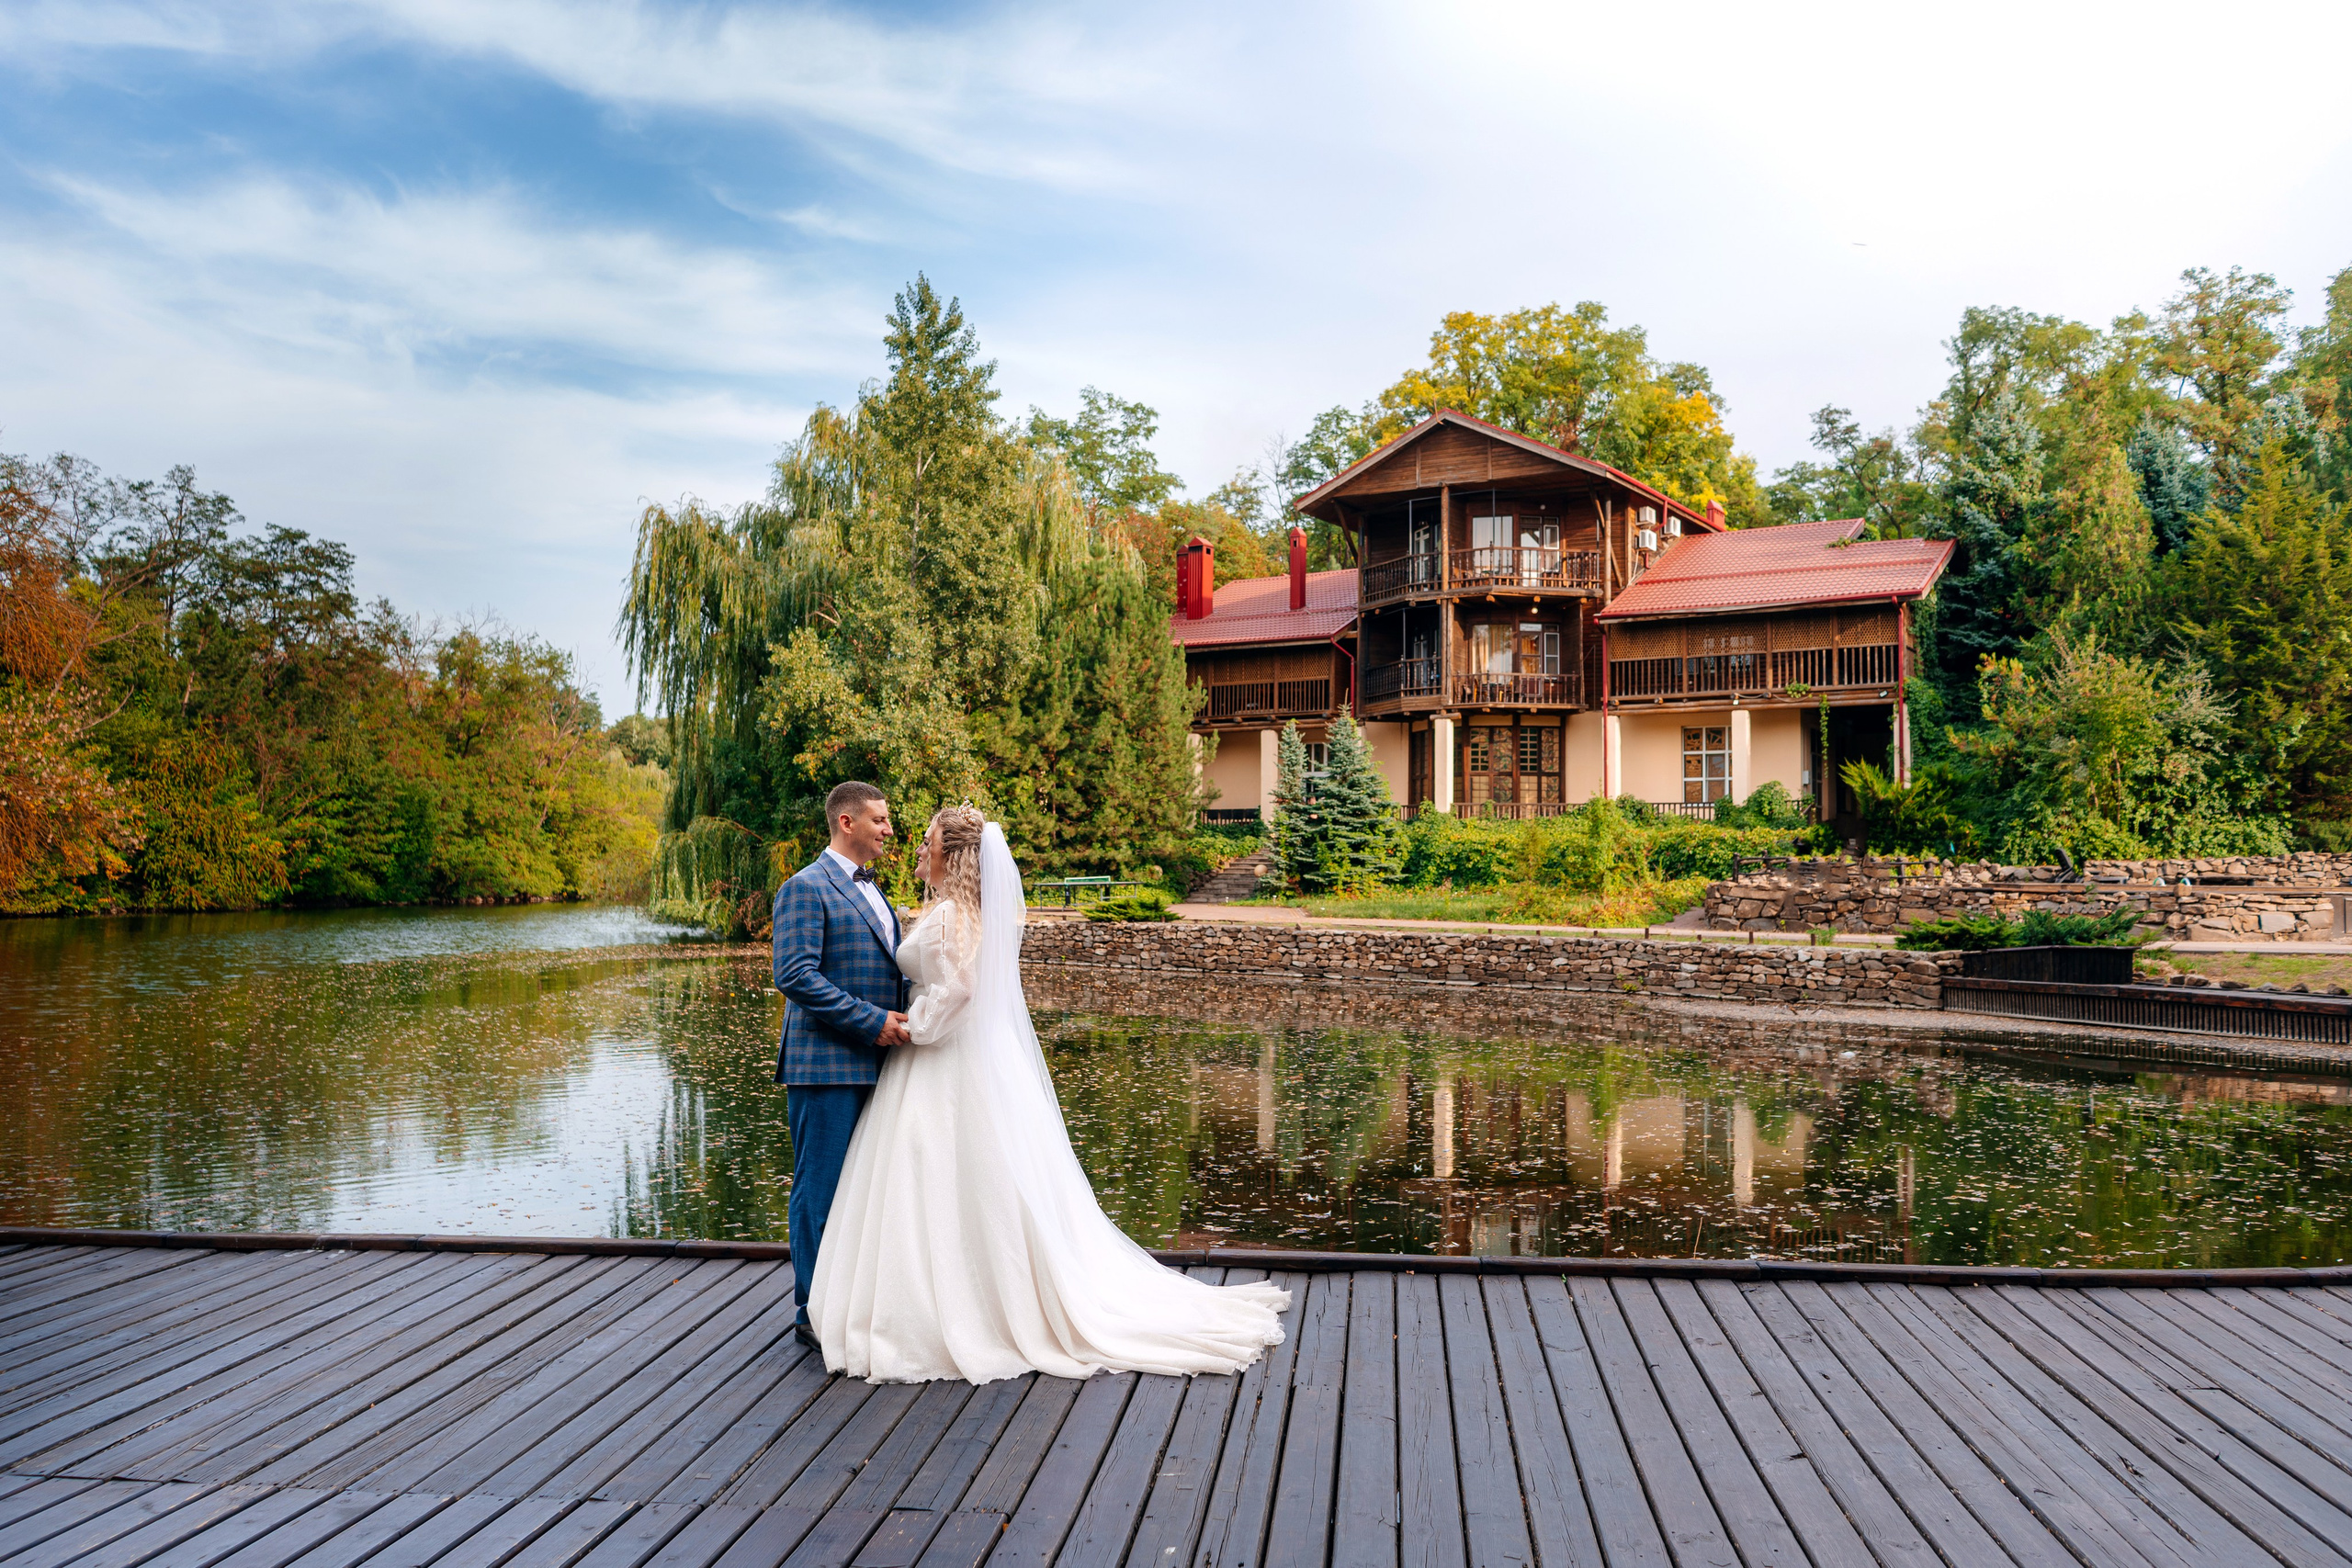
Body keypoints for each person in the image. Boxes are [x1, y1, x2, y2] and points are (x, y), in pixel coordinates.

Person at [809, 805, 1290, 1383]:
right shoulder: (964, 910)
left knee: (932, 1174)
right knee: (969, 1180)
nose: (918, 846)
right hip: (967, 1061)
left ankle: (945, 1309)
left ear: (951, 853)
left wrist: (915, 1027)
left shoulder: (950, 916)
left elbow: (959, 987)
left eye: (929, 840)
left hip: (939, 1060)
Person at [772, 780, 911, 1350]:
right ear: (847, 823)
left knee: (867, 1192)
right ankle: (812, 1310)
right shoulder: (805, 887)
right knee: (820, 1190)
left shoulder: (876, 890)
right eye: (879, 820)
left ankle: (852, 1301)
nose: (888, 829)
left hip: (876, 1066)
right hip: (825, 1065)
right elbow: (796, 975)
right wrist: (872, 1022)